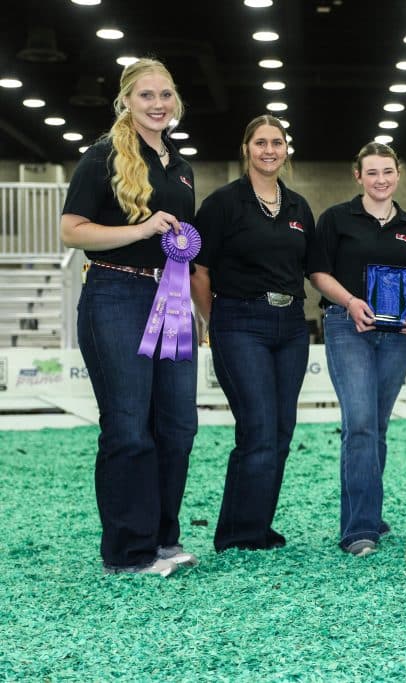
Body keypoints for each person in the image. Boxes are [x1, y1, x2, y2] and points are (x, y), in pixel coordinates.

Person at [59, 58, 197, 577]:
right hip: (115, 294)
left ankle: (163, 539)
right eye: (146, 96)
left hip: (172, 299)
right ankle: (128, 551)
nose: (157, 104)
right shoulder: (101, 158)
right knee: (128, 428)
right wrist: (139, 231)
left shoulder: (181, 167)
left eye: (165, 94)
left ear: (175, 102)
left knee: (178, 425)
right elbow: (72, 231)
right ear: (126, 101)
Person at [191, 115, 316, 552]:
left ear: (286, 149)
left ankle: (255, 526)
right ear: (247, 148)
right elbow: (200, 270)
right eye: (260, 142)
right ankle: (237, 535)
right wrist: (216, 321)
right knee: (259, 428)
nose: (269, 150)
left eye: (277, 143)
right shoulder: (223, 203)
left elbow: (311, 268)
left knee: (281, 430)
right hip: (239, 322)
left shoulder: (299, 207)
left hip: (291, 326)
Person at [310, 142, 406, 557]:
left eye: (388, 171)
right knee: (361, 423)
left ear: (398, 173)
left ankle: (368, 512)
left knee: (377, 425)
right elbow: (317, 272)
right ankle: (359, 528)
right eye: (372, 172)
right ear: (358, 176)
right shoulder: (335, 219)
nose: (380, 179)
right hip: (348, 326)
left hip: (398, 334)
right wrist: (350, 302)